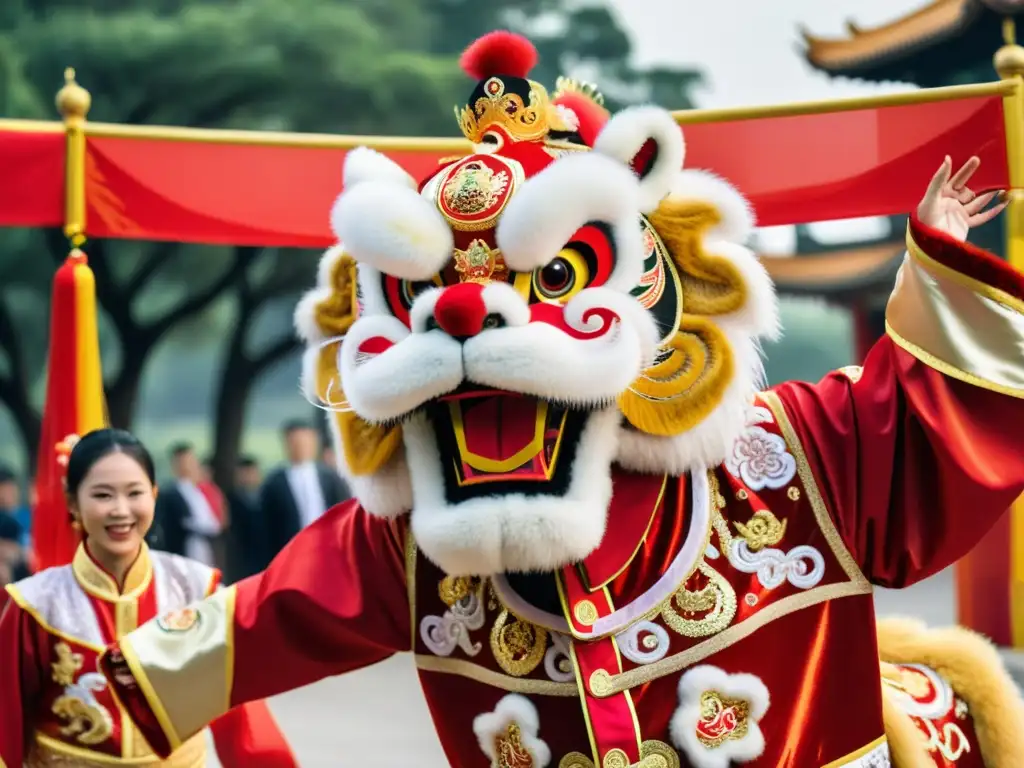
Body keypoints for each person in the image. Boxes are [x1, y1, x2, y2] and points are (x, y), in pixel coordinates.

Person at [99, 32, 1024, 768]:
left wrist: (943, 278)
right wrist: (104, 683)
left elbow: (928, 430)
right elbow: (268, 617)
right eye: (427, 294)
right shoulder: (414, 541)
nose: (464, 315)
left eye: (562, 272)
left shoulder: (780, 457)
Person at [0, 428, 296, 767]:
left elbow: (244, 720)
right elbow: (5, 726)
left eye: (134, 493)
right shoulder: (35, 606)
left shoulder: (197, 590)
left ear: (153, 495)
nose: (121, 510)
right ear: (72, 502)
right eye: (103, 495)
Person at [258, 419, 349, 562]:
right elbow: (267, 527)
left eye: (305, 441)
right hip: (291, 551)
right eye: (295, 442)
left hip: (329, 546)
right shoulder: (274, 483)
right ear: (286, 443)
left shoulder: (331, 477)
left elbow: (344, 511)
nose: (301, 447)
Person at [151, 441, 225, 566]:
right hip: (182, 550)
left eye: (192, 461)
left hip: (204, 546)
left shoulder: (198, 490)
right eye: (185, 461)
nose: (190, 466)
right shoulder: (169, 493)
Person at [225, 455, 267, 582]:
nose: (248, 477)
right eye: (244, 474)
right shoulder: (233, 499)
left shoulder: (266, 497)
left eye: (251, 473)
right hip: (242, 554)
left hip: (263, 551)